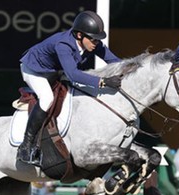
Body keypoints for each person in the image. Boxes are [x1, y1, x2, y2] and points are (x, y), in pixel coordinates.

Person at [17, 10, 122, 165]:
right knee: (47, 99)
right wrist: (103, 82)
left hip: (55, 72)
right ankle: (26, 146)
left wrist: (130, 70)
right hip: (34, 70)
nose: (96, 43)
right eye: (93, 39)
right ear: (79, 35)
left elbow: (114, 60)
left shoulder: (91, 43)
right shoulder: (63, 45)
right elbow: (73, 74)